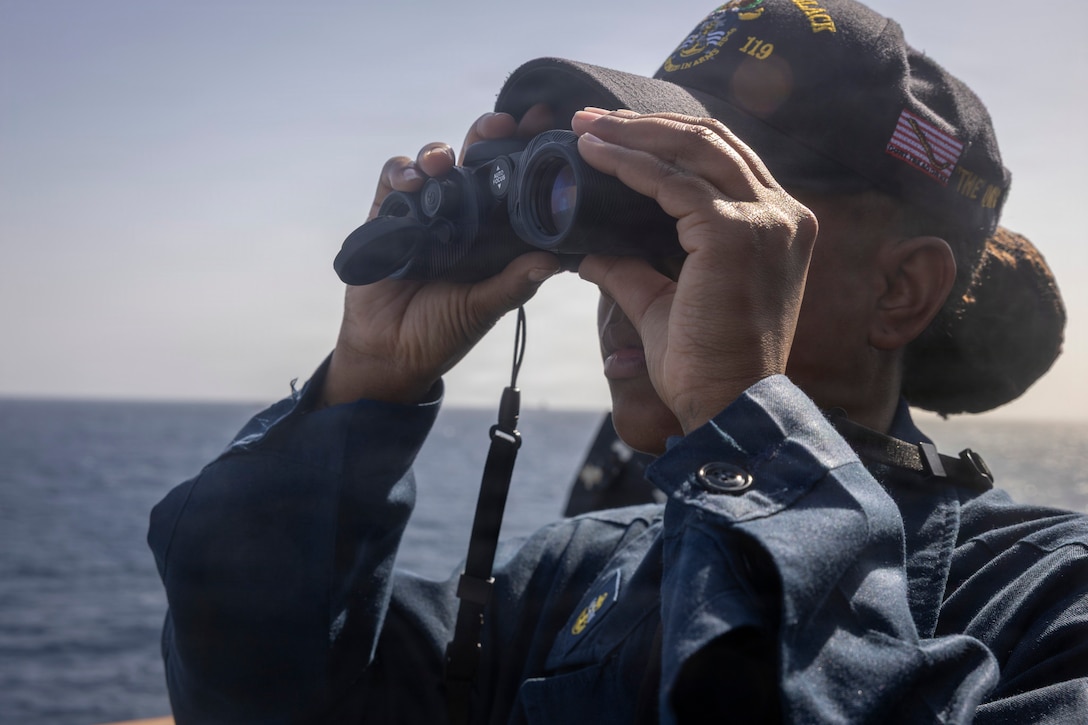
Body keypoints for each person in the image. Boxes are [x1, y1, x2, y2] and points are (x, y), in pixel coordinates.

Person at [148, 1, 1087, 722]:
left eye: (692, 209)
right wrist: (360, 391)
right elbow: (262, 696)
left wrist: (744, 418)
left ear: (900, 292)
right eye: (620, 205)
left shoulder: (1047, 599)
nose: (621, 275)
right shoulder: (575, 571)